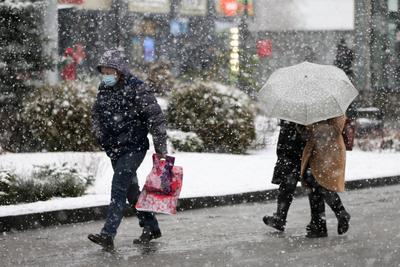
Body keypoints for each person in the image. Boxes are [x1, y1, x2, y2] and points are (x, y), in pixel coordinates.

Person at [88, 49, 168, 250]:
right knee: (132, 192)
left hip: (134, 147)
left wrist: (161, 150)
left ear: (120, 71)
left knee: (119, 187)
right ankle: (151, 226)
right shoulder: (104, 90)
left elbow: (156, 118)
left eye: (109, 71)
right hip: (114, 148)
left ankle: (108, 234)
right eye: (103, 71)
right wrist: (101, 135)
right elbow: (96, 115)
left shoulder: (137, 89)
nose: (106, 75)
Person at [299, 115, 351, 238]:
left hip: (329, 151)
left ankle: (337, 214)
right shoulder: (312, 107)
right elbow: (307, 132)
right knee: (312, 185)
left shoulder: (334, 108)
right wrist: (302, 127)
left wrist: (312, 127)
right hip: (315, 150)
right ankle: (319, 224)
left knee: (323, 184)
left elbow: (335, 129)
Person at [262, 120, 306, 231]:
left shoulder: (295, 117)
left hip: (293, 154)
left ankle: (331, 216)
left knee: (287, 188)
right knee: (286, 188)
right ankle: (280, 217)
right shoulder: (290, 117)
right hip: (291, 154)